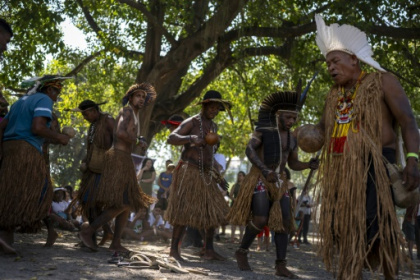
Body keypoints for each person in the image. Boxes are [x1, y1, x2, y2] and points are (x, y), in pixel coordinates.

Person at [313, 15, 420, 279]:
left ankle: (389, 274)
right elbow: (321, 132)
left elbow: (407, 120)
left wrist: (413, 159)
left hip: (377, 164)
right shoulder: (333, 97)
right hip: (341, 169)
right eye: (327, 63)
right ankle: (350, 275)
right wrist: (306, 134)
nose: (330, 67)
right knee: (345, 227)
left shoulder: (383, 81)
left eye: (335, 61)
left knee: (377, 226)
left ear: (354, 60)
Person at [229, 86, 319, 278]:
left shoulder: (293, 139)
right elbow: (249, 150)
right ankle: (242, 251)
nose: (291, 121)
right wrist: (264, 169)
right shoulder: (263, 131)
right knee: (260, 219)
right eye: (288, 117)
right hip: (260, 177)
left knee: (285, 222)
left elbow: (293, 163)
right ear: (278, 115)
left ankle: (280, 265)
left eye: (294, 118)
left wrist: (308, 164)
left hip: (279, 182)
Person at [78, 83, 156, 252]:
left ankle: (116, 242)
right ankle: (89, 231)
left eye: (143, 97)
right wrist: (137, 140)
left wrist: (138, 140)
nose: (141, 99)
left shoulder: (135, 114)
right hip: (119, 159)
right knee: (124, 201)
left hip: (125, 159)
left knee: (127, 203)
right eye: (138, 96)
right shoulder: (127, 111)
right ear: (130, 97)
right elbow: (120, 133)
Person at [0, 75, 71, 254]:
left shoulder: (18, 102)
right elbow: (37, 128)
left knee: (10, 192)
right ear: (49, 90)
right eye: (57, 92)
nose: (56, 97)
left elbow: (2, 127)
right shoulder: (44, 99)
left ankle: (6, 240)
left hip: (9, 149)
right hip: (27, 150)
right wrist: (59, 137)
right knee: (37, 192)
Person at [165, 90, 232, 261]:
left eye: (217, 108)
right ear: (204, 105)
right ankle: (174, 251)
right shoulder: (192, 122)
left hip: (206, 174)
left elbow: (210, 155)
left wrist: (218, 176)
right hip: (189, 171)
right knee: (183, 212)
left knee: (212, 212)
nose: (214, 111)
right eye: (212, 107)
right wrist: (190, 138)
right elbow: (171, 138)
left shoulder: (214, 127)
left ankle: (208, 250)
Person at [72, 100, 115, 246]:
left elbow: (118, 142)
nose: (84, 117)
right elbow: (91, 148)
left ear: (94, 110)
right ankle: (104, 232)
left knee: (93, 201)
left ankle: (92, 236)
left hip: (105, 168)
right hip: (91, 167)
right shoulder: (93, 126)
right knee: (87, 201)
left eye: (86, 114)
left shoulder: (108, 120)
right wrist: (84, 161)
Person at [230, 171, 246, 243]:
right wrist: (234, 199)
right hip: (234, 205)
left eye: (241, 175)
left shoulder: (246, 186)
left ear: (244, 177)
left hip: (242, 205)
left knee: (241, 222)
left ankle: (241, 239)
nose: (239, 177)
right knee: (233, 222)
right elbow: (230, 194)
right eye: (238, 175)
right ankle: (232, 238)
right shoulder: (235, 185)